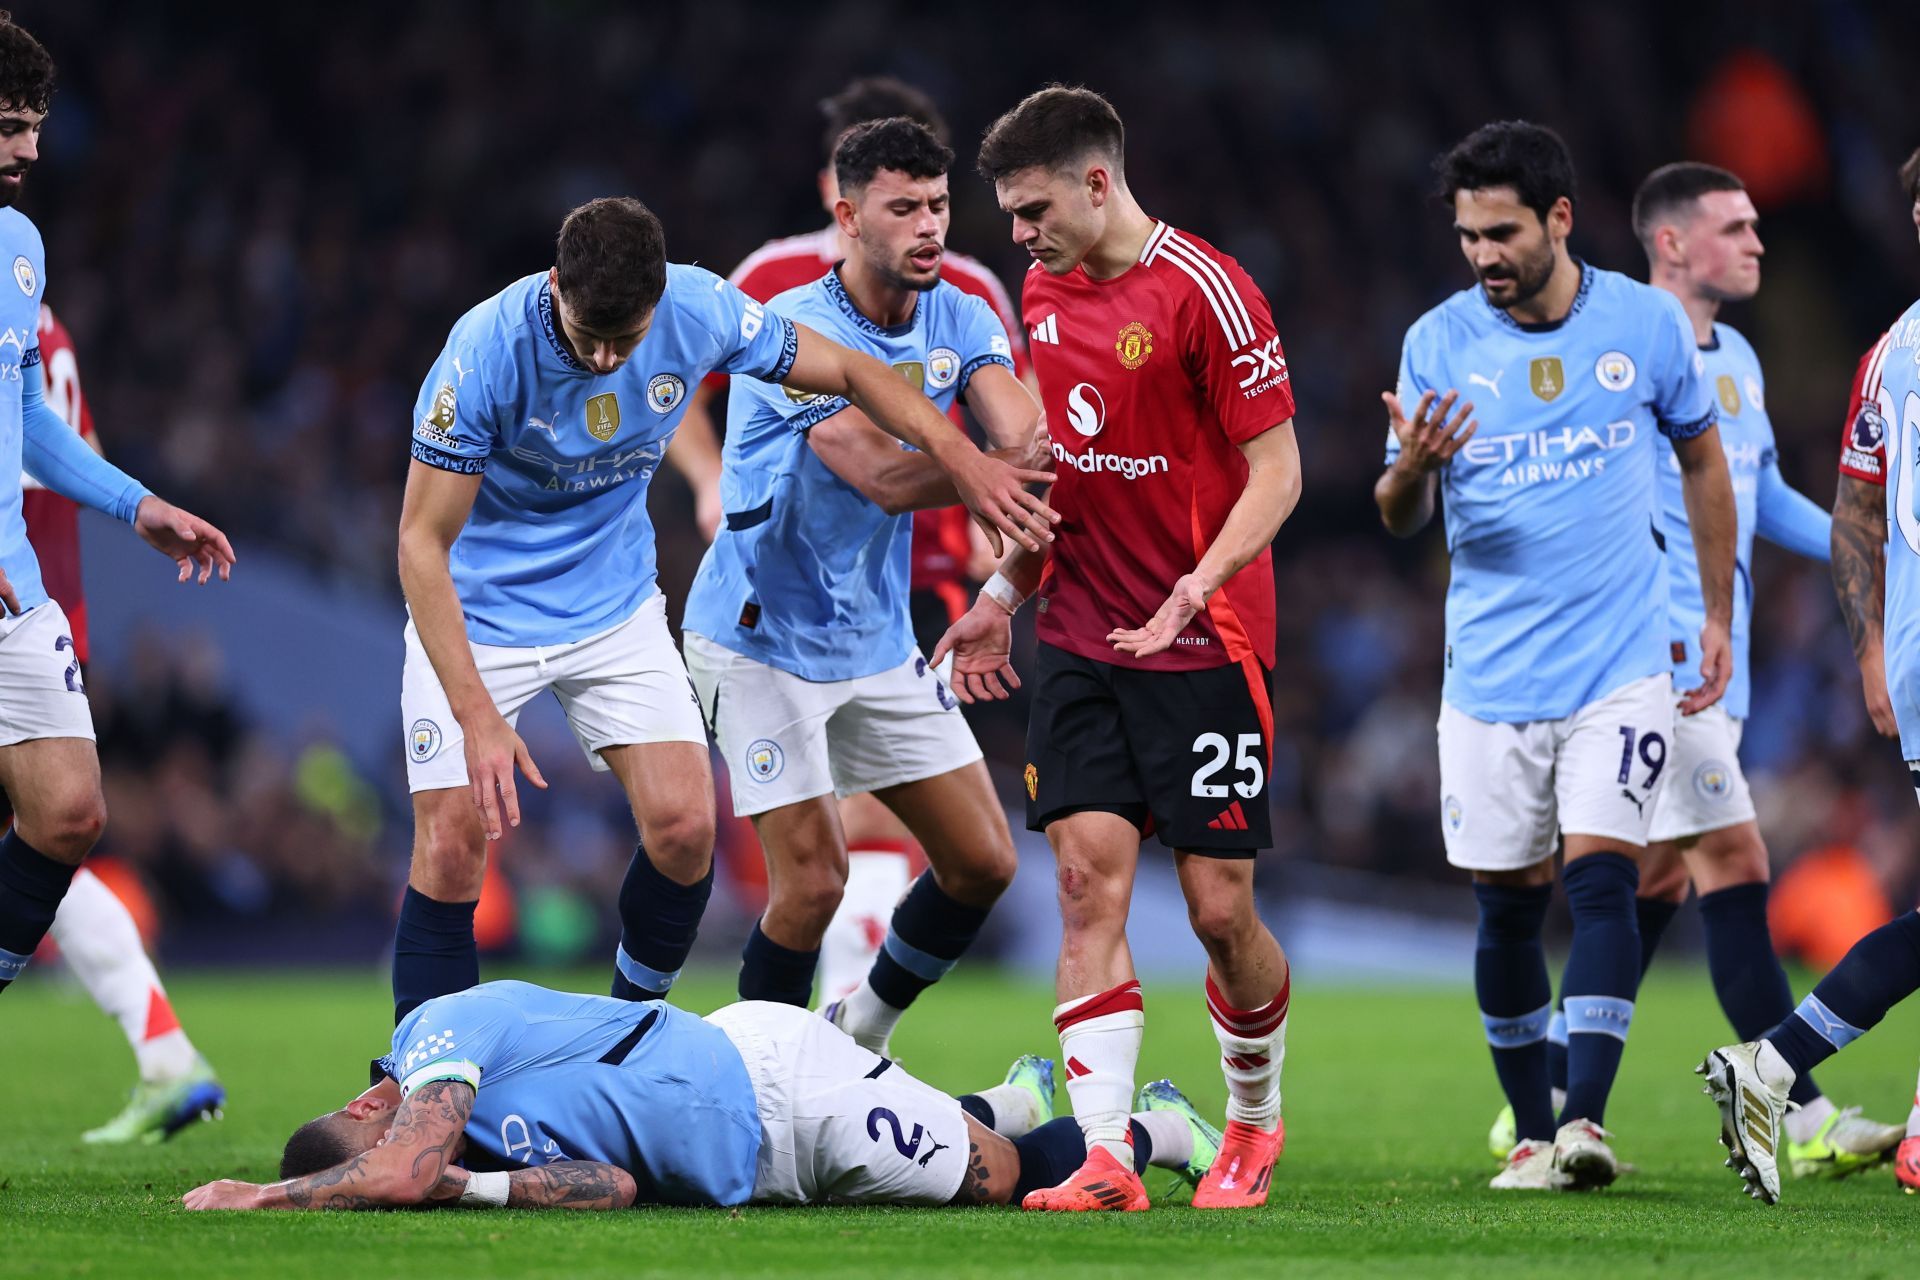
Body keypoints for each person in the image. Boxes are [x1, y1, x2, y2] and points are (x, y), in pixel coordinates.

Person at [392, 195, 1054, 1026]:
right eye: (585, 332)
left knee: (682, 830)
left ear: (658, 303)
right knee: (454, 848)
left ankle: (627, 1032)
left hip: (613, 609)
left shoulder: (700, 307)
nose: (603, 358)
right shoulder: (483, 353)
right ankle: (426, 1081)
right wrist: (479, 716)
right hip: (482, 613)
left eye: (624, 338)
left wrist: (961, 457)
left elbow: (850, 370)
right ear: (555, 282)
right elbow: (421, 544)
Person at [1487, 163, 1902, 1178]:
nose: (1760, 241)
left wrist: (1880, 540)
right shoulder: (1617, 349)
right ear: (1672, 243)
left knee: (1661, 876)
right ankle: (1796, 1106)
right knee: (1736, 861)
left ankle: (1541, 1092)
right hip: (1652, 664)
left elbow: (1757, 499)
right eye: (1735, 226)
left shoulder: (1740, 360)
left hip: (1722, 664)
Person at [936, 86, 1302, 1211]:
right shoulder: (1043, 293)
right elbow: (1069, 478)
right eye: (1008, 212)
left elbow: (1279, 471)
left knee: (1218, 911)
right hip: (1086, 634)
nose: (1017, 235)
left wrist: (1199, 583)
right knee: (1087, 885)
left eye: (1032, 206)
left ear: (1099, 183)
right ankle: (1104, 1154)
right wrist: (1002, 589)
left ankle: (1250, 1118)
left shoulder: (1210, 291)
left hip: (1206, 644)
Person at [1374, 122, 1733, 1190]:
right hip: (1488, 676)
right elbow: (1394, 515)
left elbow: (1704, 462)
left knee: (1605, 881)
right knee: (1507, 902)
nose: (1483, 254)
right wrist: (1415, 473)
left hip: (1620, 663)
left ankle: (1586, 1122)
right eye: (1468, 235)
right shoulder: (1437, 342)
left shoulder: (1643, 324)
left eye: (1502, 232)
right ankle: (1531, 1132)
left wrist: (1713, 612)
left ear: (1559, 219)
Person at [668, 76, 1034, 1006]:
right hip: (757, 639)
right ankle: (758, 1094)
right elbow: (874, 471)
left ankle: (854, 1036)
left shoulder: (964, 309)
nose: (928, 228)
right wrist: (981, 465)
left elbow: (1025, 436)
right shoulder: (792, 326)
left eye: (940, 206)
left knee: (984, 861)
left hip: (873, 638)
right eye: (903, 208)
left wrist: (1016, 454)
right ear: (848, 217)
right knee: (814, 883)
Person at [180, 979, 1223, 1212]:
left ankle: (1158, 1125)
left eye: (375, 1125)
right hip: (755, 1160)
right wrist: (471, 1189)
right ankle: (1004, 1095)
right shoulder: (465, 1150)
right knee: (969, 1150)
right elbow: (612, 1183)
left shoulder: (437, 1029)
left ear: (365, 1112)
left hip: (774, 1081)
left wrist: (261, 1196)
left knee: (997, 1187)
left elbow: (401, 1166)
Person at [0, 13, 237, 1003]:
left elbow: (24, 415)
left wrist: (133, 501)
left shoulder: (17, 246)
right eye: (11, 123)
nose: (32, 148)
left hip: (16, 581)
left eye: (37, 124)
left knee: (68, 811)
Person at [1705, 146, 1920, 1206]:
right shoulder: (1889, 357)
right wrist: (1874, 647)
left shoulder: (1890, 356)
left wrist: (1877, 648)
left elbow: (1858, 513)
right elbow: (1860, 516)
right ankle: (1773, 1063)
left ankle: (1777, 1064)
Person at [19, 303, 222, 1141]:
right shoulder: (45, 319)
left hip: (16, 612)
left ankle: (167, 1054)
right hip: (54, 614)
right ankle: (166, 1054)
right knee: (37, 849)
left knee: (40, 843)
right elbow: (81, 454)